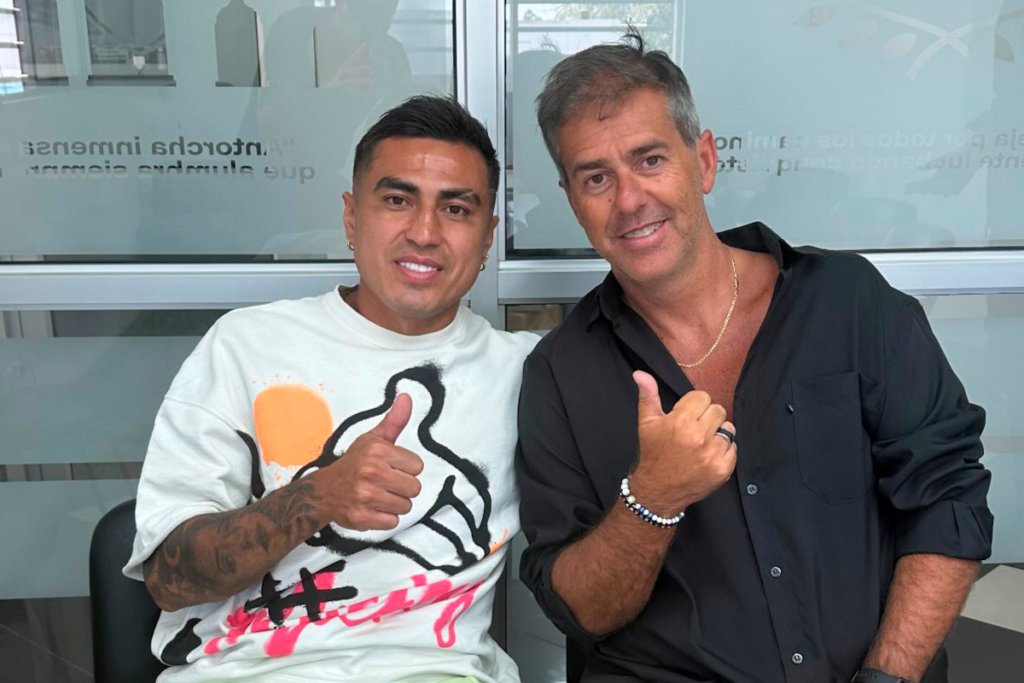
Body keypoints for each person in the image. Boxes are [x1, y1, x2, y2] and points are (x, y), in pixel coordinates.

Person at [515, 30, 993, 683]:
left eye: (650, 159)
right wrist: (651, 495)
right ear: (572, 200)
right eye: (595, 177)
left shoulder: (848, 303)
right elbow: (581, 610)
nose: (628, 199)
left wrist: (887, 675)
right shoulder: (558, 376)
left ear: (705, 161)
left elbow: (948, 497)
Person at [124, 95, 536, 683]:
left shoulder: (526, 372)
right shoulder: (246, 344)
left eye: (457, 209)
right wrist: (319, 497)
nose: (424, 232)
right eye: (397, 200)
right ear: (350, 217)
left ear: (488, 235)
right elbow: (169, 581)